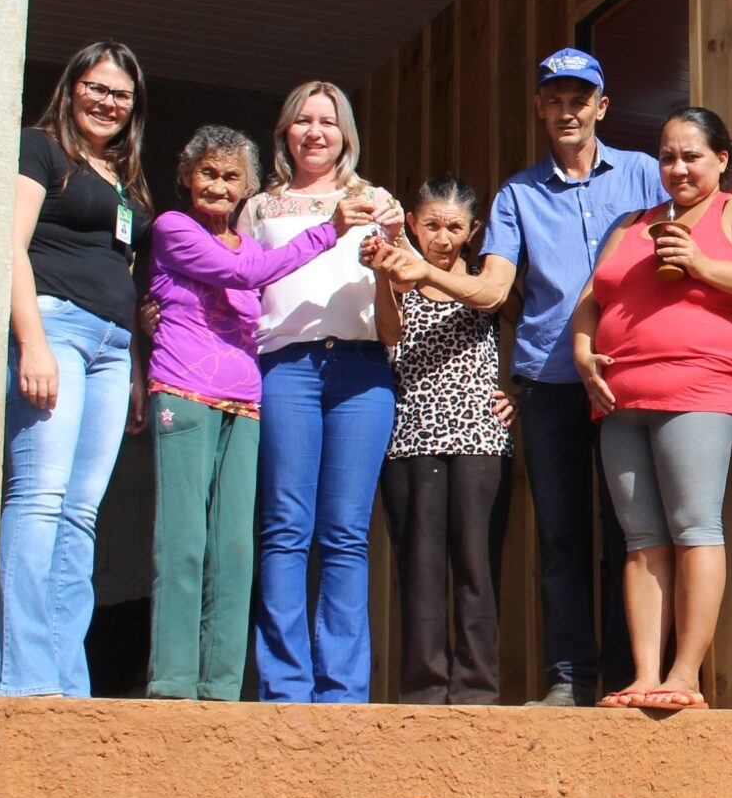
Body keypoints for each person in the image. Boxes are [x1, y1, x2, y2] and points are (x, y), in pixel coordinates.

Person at [368, 49, 664, 708]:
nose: (568, 110)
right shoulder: (517, 194)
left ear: (602, 106)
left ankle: (626, 676)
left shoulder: (646, 175)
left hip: (626, 378)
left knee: (632, 531)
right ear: (538, 107)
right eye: (555, 99)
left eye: (579, 98)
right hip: (550, 383)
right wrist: (427, 275)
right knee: (561, 537)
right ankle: (569, 677)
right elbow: (494, 289)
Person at [144, 125, 381, 701]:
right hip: (184, 388)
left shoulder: (248, 243)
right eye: (208, 173)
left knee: (234, 547)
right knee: (183, 540)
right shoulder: (172, 227)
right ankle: (175, 682)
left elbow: (256, 281)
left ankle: (222, 686)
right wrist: (330, 231)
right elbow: (248, 277)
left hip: (246, 399)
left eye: (231, 178)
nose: (219, 187)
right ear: (186, 175)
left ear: (248, 188)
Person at [571, 107, 732, 710]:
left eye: (692, 155)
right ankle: (645, 674)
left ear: (722, 159)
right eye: (668, 156)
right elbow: (591, 301)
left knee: (695, 528)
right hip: (620, 398)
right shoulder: (633, 224)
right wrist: (584, 354)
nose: (678, 168)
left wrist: (701, 265)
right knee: (641, 538)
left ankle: (685, 675)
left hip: (697, 389)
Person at [239, 81, 403, 703]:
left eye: (327, 122)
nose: (315, 132)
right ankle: (284, 685)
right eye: (303, 120)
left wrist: (392, 252)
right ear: (285, 132)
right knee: (285, 527)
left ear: (346, 135)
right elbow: (237, 287)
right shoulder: (260, 208)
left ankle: (341, 692)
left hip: (362, 370)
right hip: (287, 366)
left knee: (345, 532)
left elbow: (400, 290)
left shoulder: (378, 198)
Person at [0, 40, 151, 698]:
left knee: (81, 514)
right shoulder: (39, 148)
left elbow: (128, 273)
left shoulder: (126, 178)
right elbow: (6, 242)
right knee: (39, 496)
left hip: (114, 349)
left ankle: (65, 679)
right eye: (97, 86)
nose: (107, 101)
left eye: (120, 94)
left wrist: (138, 369)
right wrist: (31, 340)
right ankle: (25, 677)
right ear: (72, 86)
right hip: (55, 327)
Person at [369, 178, 513, 704]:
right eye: (431, 224)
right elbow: (388, 333)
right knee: (420, 568)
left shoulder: (481, 282)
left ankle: (477, 688)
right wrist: (387, 279)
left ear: (474, 231)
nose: (443, 237)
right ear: (412, 222)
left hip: (479, 438)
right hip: (411, 439)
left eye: (455, 227)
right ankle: (424, 689)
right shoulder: (398, 279)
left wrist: (514, 392)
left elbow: (515, 326)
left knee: (477, 566)